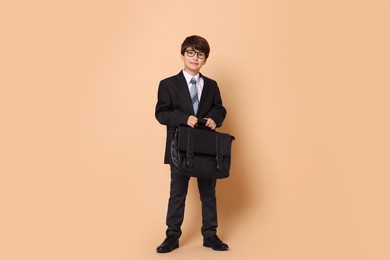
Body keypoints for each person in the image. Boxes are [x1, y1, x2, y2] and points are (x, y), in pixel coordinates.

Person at [155, 35, 229, 253]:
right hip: (180, 147)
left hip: (206, 147)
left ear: (205, 60)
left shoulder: (212, 85)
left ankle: (210, 235)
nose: (195, 57)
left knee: (208, 193)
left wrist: (216, 117)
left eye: (200, 54)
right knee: (177, 192)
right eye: (190, 52)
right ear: (182, 55)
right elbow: (161, 113)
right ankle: (171, 236)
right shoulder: (168, 84)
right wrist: (183, 117)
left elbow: (220, 108)